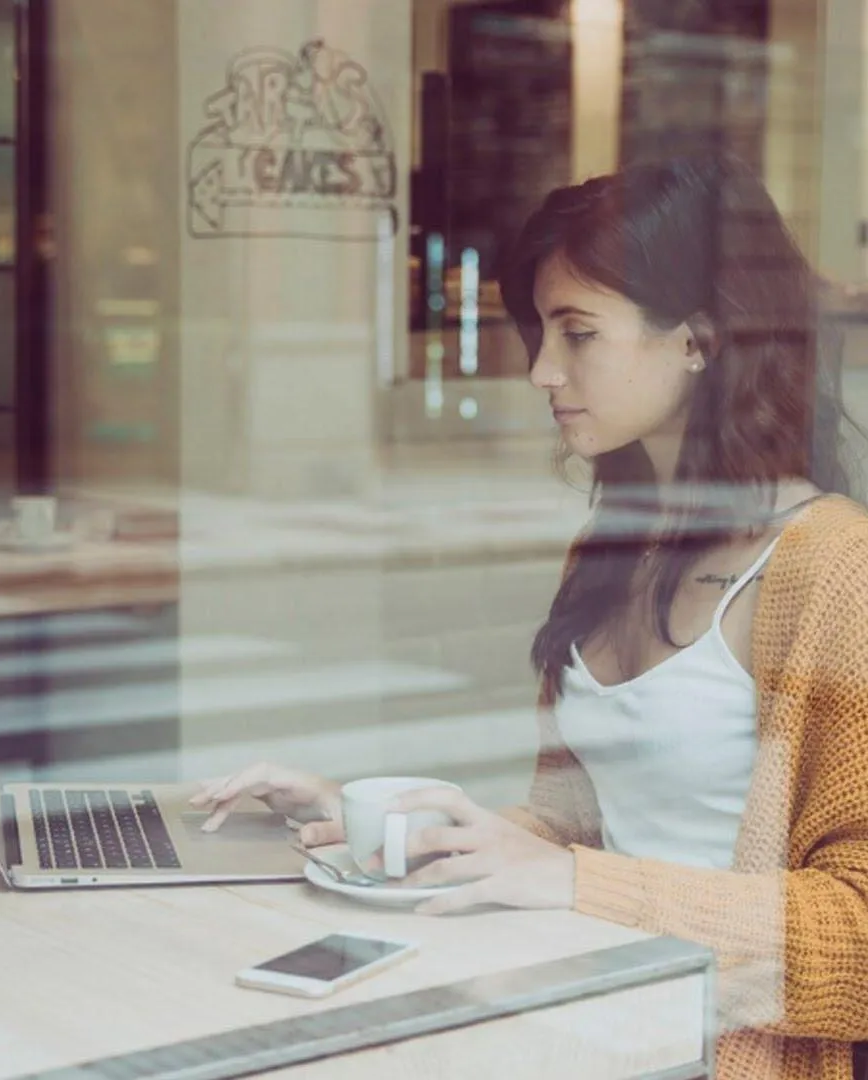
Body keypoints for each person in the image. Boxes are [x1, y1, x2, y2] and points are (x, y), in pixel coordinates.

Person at [191, 155, 868, 1080]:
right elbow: (571, 833)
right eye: (540, 332)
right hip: (594, 1015)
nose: (543, 370)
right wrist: (377, 827)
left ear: (700, 340)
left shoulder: (831, 566)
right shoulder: (613, 546)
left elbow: (858, 939)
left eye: (578, 333)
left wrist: (573, 881)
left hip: (713, 1053)